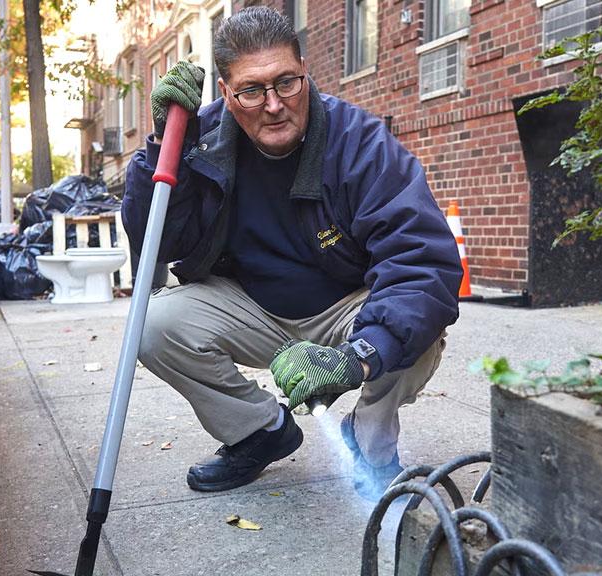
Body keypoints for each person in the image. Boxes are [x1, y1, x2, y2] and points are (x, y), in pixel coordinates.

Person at [123, 6, 462, 499]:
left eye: (287, 83)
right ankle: (259, 432)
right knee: (150, 326)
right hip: (249, 307)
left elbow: (422, 263)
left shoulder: (360, 143)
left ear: (306, 73)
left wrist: (358, 357)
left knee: (416, 333)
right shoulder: (202, 138)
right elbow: (157, 238)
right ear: (226, 93)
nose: (274, 104)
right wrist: (165, 145)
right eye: (252, 90)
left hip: (346, 312)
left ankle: (370, 443)